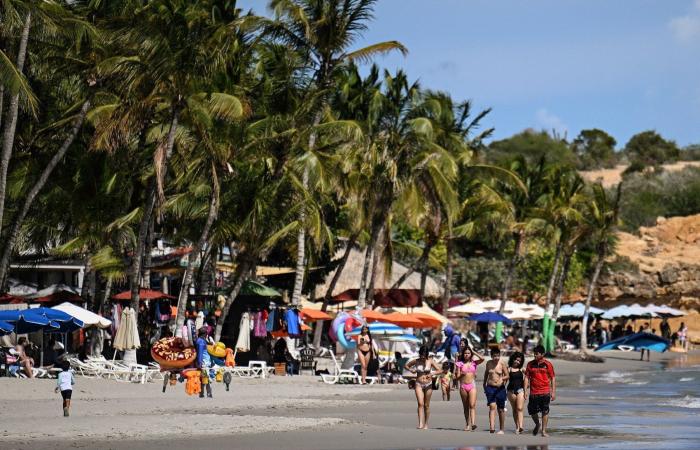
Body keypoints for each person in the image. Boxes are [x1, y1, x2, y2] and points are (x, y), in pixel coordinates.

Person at [405, 346, 441, 430]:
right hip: (418, 383)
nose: (422, 357)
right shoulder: (416, 361)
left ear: (427, 355)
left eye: (424, 356)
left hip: (428, 384)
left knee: (426, 405)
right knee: (420, 404)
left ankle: (426, 424)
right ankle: (420, 423)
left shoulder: (430, 361)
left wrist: (431, 374)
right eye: (421, 355)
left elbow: (439, 370)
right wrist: (411, 370)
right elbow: (406, 365)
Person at [525, 344, 556, 437]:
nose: (534, 355)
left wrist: (553, 392)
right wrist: (525, 390)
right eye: (534, 354)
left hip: (545, 391)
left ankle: (543, 431)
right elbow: (526, 377)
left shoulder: (548, 364)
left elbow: (553, 378)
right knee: (532, 411)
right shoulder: (530, 364)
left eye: (537, 354)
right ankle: (537, 424)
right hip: (534, 392)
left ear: (542, 354)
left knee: (545, 411)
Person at [455, 345, 485, 431]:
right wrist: (461, 375)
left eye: (468, 353)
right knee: (466, 406)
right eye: (465, 353)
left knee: (472, 405)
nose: (466, 355)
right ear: (463, 354)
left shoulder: (474, 363)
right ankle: (467, 424)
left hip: (472, 385)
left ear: (471, 354)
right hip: (463, 386)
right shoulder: (459, 364)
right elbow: (456, 378)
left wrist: (473, 351)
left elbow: (482, 359)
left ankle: (473, 423)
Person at [483, 347, 509, 434]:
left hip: (500, 389)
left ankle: (501, 429)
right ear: (491, 356)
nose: (496, 358)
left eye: (498, 356)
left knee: (501, 409)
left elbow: (507, 375)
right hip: (490, 387)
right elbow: (486, 373)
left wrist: (502, 379)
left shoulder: (502, 363)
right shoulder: (488, 363)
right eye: (494, 356)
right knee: (492, 406)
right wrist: (484, 384)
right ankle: (492, 427)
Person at [507, 351, 526, 434]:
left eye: (519, 361)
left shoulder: (522, 369)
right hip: (511, 391)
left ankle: (521, 426)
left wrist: (527, 385)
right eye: (516, 360)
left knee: (520, 408)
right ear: (513, 359)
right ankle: (517, 427)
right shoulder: (508, 369)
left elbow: (529, 377)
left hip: (520, 390)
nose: (517, 362)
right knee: (515, 409)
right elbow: (504, 380)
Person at [195, 328, 213, 398]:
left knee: (203, 378)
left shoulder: (201, 340)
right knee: (206, 378)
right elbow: (200, 353)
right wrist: (199, 363)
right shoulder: (201, 342)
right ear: (205, 334)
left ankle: (201, 393)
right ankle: (209, 393)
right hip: (203, 363)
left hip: (204, 363)